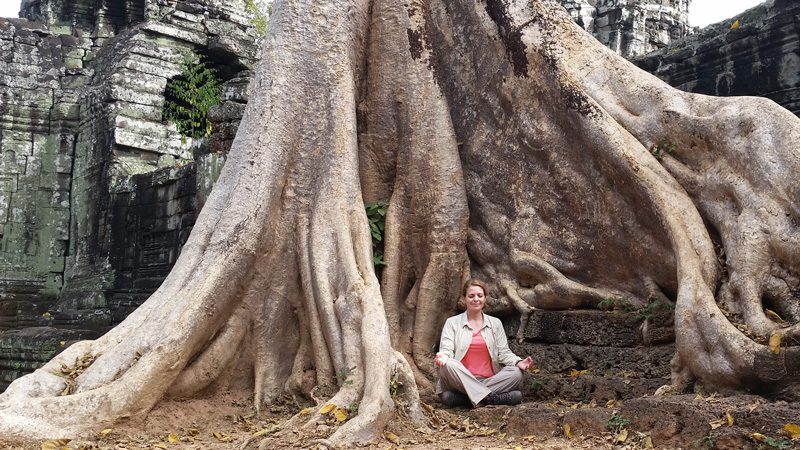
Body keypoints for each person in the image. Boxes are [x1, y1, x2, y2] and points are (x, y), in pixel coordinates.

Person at [435, 278, 534, 407]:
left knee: (516, 372)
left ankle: (465, 399)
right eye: (471, 296)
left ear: (485, 298)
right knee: (448, 365)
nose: (476, 299)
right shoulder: (452, 322)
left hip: (490, 379)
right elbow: (446, 349)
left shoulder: (495, 323)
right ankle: (492, 397)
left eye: (480, 296)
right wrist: (443, 356)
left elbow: (504, 353)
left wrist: (518, 362)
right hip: (460, 379)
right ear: (464, 299)